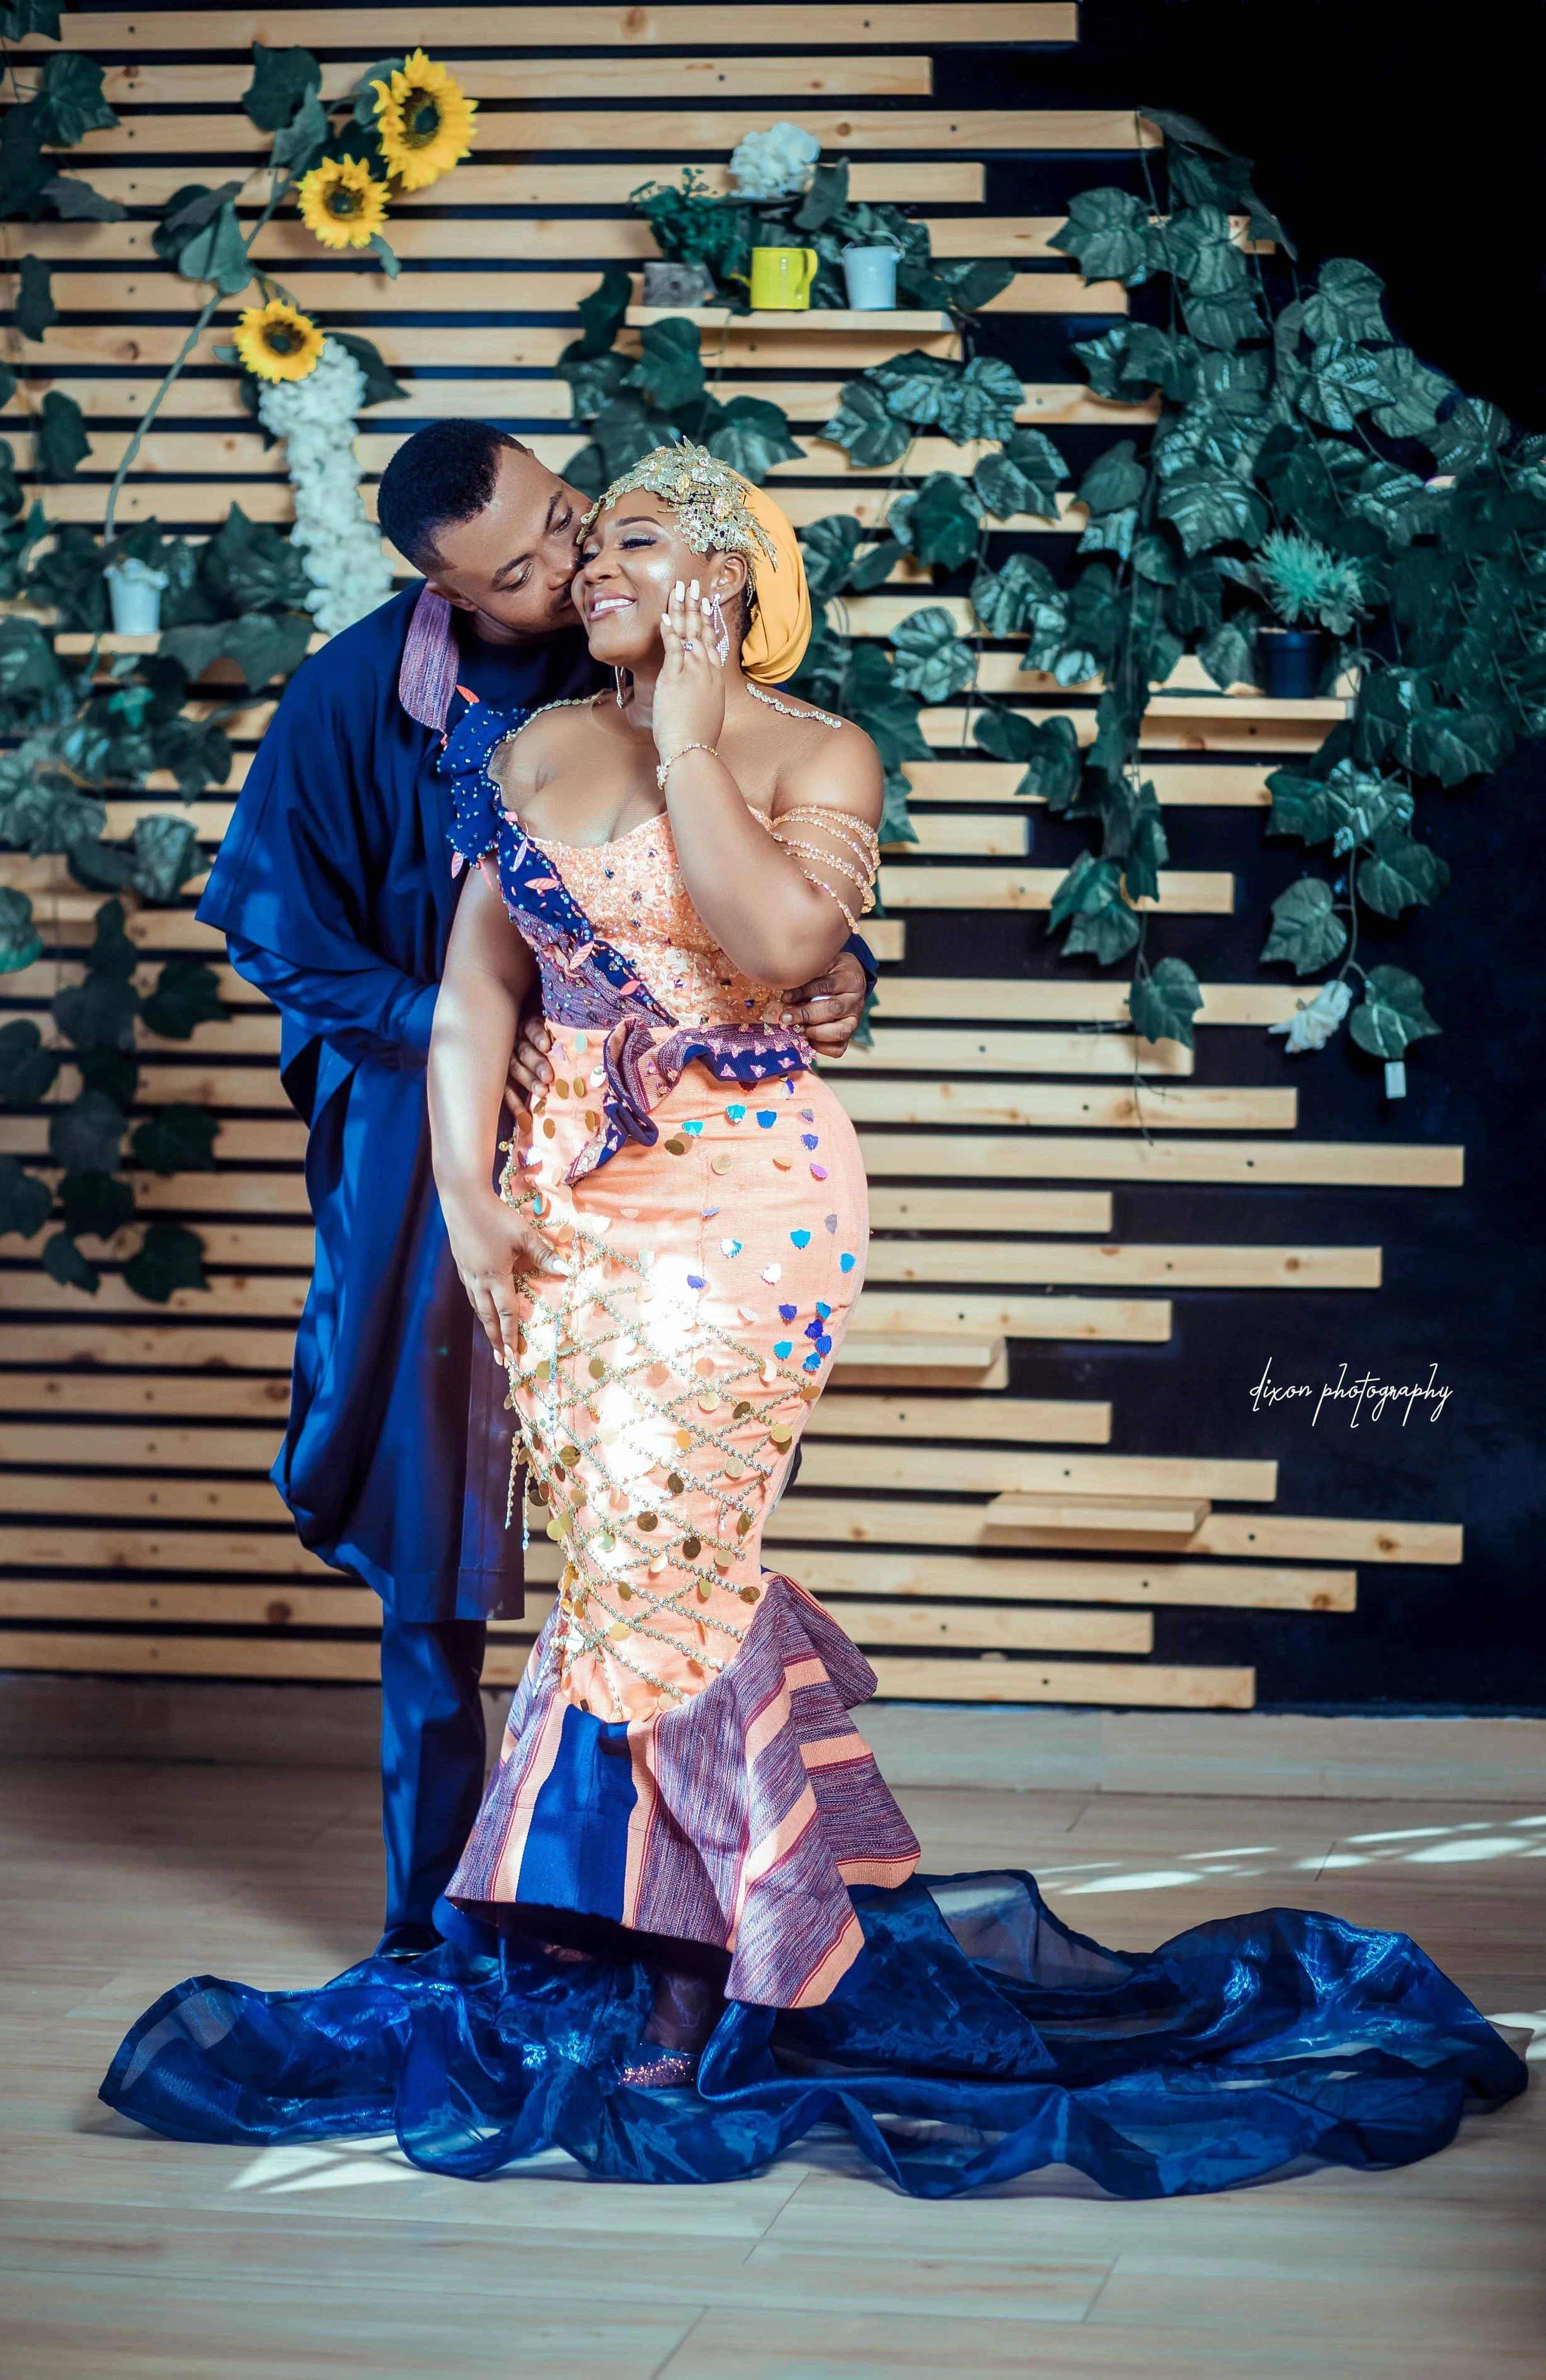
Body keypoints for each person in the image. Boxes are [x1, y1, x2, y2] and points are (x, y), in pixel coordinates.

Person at [104, 447, 1525, 2197]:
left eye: (622, 533)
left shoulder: (816, 744)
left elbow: (777, 945)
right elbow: (477, 981)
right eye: (568, 543)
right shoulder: (521, 742)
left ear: (725, 573)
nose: (583, 560)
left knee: (656, 1568)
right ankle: (676, 1943)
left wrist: (696, 734)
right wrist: (470, 1196)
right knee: (626, 1576)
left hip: (747, 1213)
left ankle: (683, 1966)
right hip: (564, 1221)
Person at [194, 422, 874, 1960]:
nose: (569, 568)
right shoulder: (352, 697)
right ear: (443, 593)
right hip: (444, 1150)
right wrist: (469, 1072)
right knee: (439, 1538)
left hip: (682, 1180)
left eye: (576, 523)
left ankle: (677, 1916)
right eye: (519, 572)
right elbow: (285, 937)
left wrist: (828, 976)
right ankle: (441, 1925)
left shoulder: (654, 633)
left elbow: (768, 890)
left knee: (650, 1543)